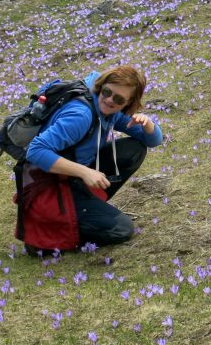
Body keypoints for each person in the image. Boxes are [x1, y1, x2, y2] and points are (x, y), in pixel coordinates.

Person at [21, 65, 163, 254]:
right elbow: (35, 151)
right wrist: (85, 172)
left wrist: (148, 124)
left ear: (127, 104)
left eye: (119, 99)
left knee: (134, 149)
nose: (110, 100)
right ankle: (46, 239)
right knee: (122, 229)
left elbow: (152, 140)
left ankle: (88, 209)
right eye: (107, 92)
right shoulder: (81, 115)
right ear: (101, 86)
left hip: (72, 177)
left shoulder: (109, 109)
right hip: (49, 185)